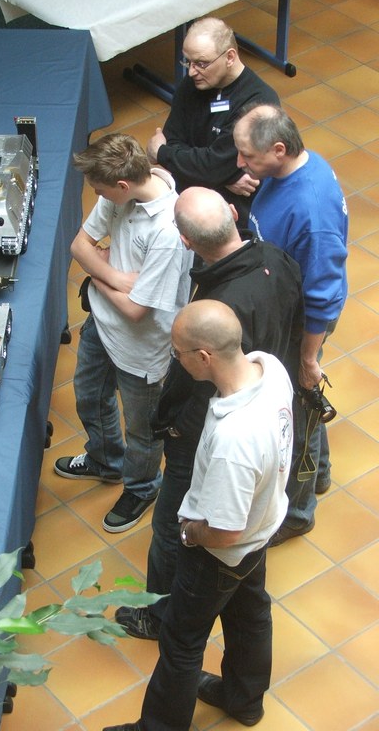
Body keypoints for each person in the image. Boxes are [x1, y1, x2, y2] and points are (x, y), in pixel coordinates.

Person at [115, 186, 303, 639]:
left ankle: (158, 615)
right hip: (267, 402)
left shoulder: (220, 306)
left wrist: (176, 430)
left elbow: (201, 386)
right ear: (233, 214)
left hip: (207, 429)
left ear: (185, 241)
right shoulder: (278, 260)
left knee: (170, 523)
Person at [104, 300, 294, 731]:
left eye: (178, 353)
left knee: (182, 640)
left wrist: (189, 534)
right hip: (263, 528)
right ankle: (244, 700)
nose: (175, 359)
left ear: (204, 356)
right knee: (250, 617)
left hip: (219, 554)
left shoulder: (234, 440)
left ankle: (159, 727)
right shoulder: (268, 368)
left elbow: (225, 533)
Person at [54, 133, 192, 533]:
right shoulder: (121, 192)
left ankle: (143, 486)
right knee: (89, 396)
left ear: (123, 185)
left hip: (142, 348)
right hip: (102, 324)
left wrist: (96, 275)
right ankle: (106, 461)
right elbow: (79, 246)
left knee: (142, 430)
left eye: (99, 191)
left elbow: (136, 310)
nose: (96, 196)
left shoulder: (167, 233)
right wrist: (115, 277)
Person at [234, 103, 348, 545]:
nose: (240, 162)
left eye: (247, 155)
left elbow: (322, 295)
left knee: (295, 413)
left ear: (278, 149)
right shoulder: (293, 168)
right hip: (287, 311)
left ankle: (298, 512)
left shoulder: (312, 212)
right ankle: (320, 472)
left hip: (302, 326)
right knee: (305, 401)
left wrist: (307, 358)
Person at [145, 17, 279, 226]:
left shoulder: (259, 103)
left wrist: (161, 153)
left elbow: (213, 165)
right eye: (187, 62)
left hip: (231, 214)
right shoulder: (192, 84)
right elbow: (175, 141)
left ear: (230, 57)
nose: (191, 71)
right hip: (187, 200)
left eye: (201, 64)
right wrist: (224, 177)